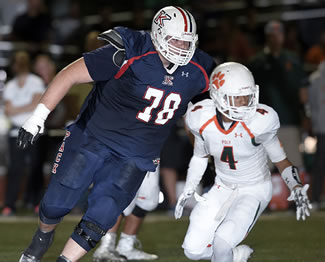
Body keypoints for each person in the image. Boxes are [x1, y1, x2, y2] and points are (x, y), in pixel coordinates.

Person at [17, 6, 216, 262]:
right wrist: (37, 118)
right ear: (157, 34)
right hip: (92, 139)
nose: (181, 46)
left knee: (103, 216)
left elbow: (207, 107)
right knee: (56, 203)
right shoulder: (128, 51)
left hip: (135, 155)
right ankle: (42, 238)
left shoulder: (200, 69)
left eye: (187, 41)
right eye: (175, 39)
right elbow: (69, 75)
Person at [175, 62, 312, 262]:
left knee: (222, 243)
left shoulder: (259, 121)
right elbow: (199, 155)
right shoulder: (201, 117)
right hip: (222, 186)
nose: (243, 103)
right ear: (218, 96)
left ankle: (228, 254)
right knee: (193, 251)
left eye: (247, 96)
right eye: (237, 97)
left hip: (254, 189)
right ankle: (237, 256)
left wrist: (296, 186)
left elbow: (281, 161)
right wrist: (189, 186)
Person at [248, 20, 307, 173]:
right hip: (265, 125)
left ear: (283, 36)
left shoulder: (293, 60)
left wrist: (306, 117)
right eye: (272, 35)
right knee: (264, 169)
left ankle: (297, 197)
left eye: (279, 34)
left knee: (293, 166)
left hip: (289, 121)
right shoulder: (256, 63)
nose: (276, 38)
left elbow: (303, 94)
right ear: (267, 37)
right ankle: (268, 198)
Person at [1, 50, 46, 216]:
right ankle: (9, 204)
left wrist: (16, 109)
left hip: (35, 130)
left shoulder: (36, 82)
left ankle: (36, 202)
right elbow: (7, 110)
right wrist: (24, 108)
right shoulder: (11, 85)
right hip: (16, 132)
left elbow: (36, 104)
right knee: (15, 168)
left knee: (36, 166)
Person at [93, 167, 160, 262]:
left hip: (152, 156)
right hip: (128, 155)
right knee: (121, 196)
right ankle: (106, 247)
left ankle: (126, 247)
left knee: (147, 200)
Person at [308, 61, 325, 210]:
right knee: (319, 165)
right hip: (322, 129)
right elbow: (311, 105)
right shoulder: (316, 79)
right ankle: (315, 198)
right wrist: (313, 124)